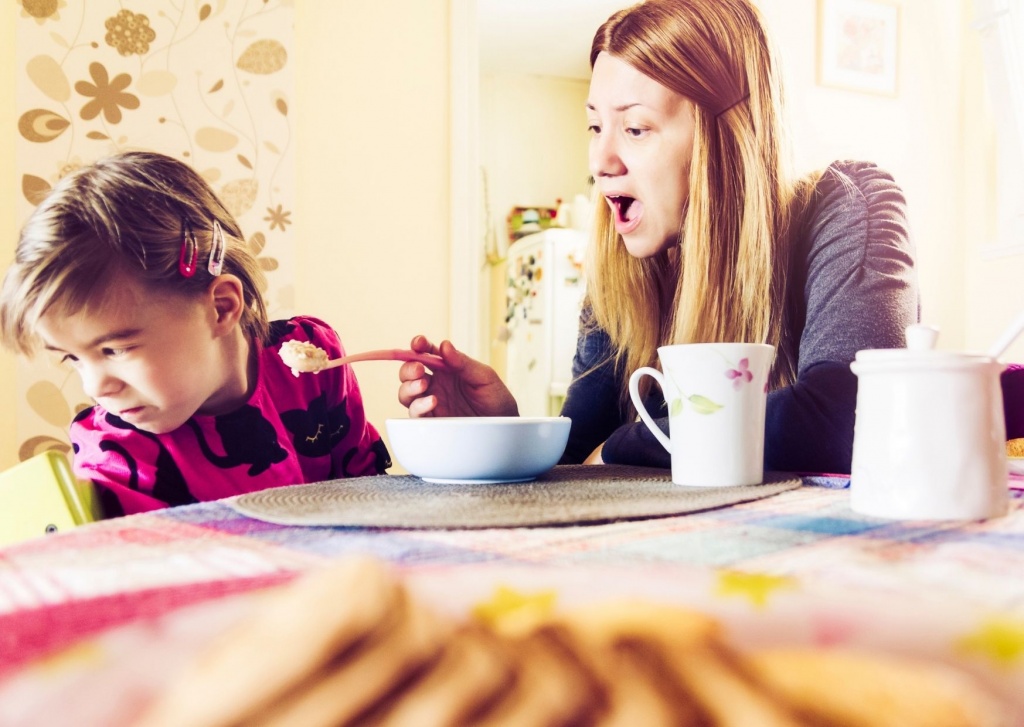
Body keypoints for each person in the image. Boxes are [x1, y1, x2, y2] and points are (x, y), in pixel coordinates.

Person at [397, 0, 919, 475]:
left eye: (636, 128)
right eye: (595, 127)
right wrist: (505, 435)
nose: (600, 163)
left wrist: (630, 443)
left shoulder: (850, 206)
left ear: (726, 137)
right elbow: (583, 454)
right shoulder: (622, 267)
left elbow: (847, 418)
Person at [0, 151, 390, 517]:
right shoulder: (117, 456)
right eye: (73, 357)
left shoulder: (309, 361)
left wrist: (445, 430)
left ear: (221, 307)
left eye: (115, 350)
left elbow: (374, 495)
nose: (96, 387)